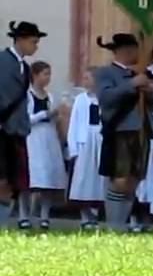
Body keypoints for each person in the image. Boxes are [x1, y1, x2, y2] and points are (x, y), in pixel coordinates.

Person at [94, 33, 153, 232]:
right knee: (120, 180)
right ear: (125, 50)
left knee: (134, 179)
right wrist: (132, 84)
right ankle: (114, 225)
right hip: (120, 129)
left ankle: (122, 224)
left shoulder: (140, 73)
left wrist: (150, 92)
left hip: (142, 130)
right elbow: (106, 98)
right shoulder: (105, 72)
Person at [0, 21, 45, 224]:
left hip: (16, 129)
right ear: (20, 40)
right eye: (33, 42)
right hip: (3, 127)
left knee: (13, 180)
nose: (35, 46)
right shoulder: (2, 61)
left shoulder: (25, 68)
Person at [19, 61, 66, 231]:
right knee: (30, 179)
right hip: (33, 139)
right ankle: (24, 215)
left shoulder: (50, 96)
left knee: (49, 178)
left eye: (49, 74)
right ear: (35, 75)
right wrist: (45, 114)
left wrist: (57, 117)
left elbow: (52, 119)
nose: (48, 78)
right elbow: (25, 119)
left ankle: (44, 215)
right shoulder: (27, 95)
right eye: (45, 74)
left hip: (48, 138)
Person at [67, 68, 106, 229]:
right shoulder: (80, 100)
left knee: (99, 178)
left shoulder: (104, 99)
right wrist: (73, 148)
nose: (85, 81)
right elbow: (74, 123)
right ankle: (84, 216)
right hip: (85, 142)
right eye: (84, 78)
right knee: (84, 178)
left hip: (100, 141)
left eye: (88, 78)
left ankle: (95, 213)